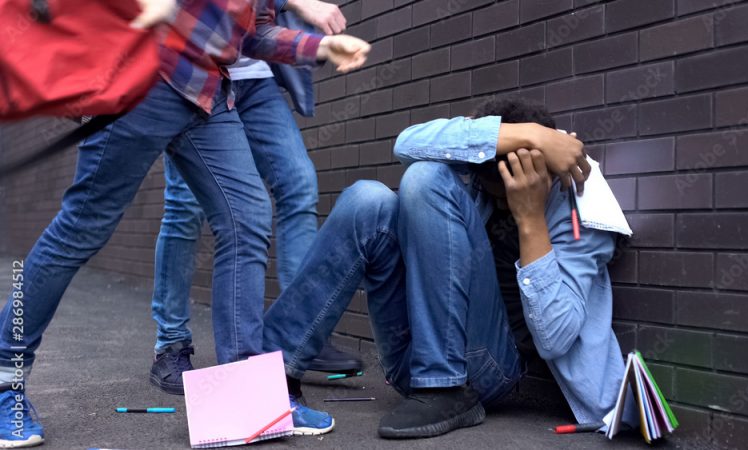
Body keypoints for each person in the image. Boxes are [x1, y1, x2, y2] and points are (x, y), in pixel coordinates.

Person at [0, 1, 370, 446]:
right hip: (141, 84)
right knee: (80, 231)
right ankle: (5, 379)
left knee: (247, 220)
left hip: (207, 92)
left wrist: (321, 45)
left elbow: (251, 33)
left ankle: (244, 397)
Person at [258, 97, 631, 439]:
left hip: (490, 372)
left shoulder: (581, 209)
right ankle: (268, 382)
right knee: (366, 198)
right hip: (413, 362)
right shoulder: (484, 177)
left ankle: (445, 387)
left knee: (426, 179)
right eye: (491, 194)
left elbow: (556, 339)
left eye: (505, 195)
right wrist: (527, 135)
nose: (497, 205)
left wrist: (530, 218)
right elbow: (406, 142)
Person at [149, 0, 362, 400]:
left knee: (298, 183)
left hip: (255, 75)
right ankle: (171, 343)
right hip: (193, 74)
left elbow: (259, 23)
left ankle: (297, 332)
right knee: (185, 206)